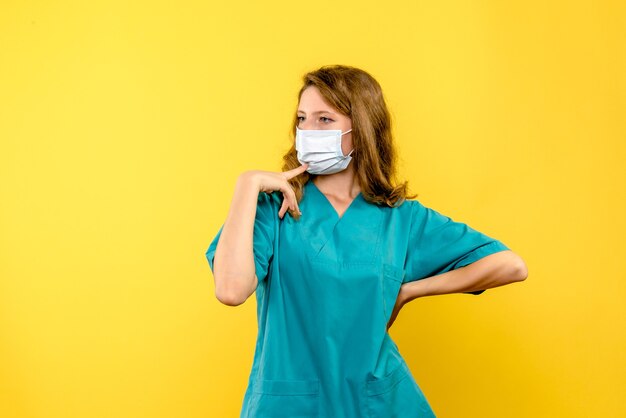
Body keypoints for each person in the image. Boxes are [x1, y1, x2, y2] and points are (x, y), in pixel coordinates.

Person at [205, 65, 528, 418]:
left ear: (361, 131)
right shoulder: (274, 207)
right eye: (301, 119)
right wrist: (246, 186)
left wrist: (409, 291)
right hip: (291, 403)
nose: (307, 131)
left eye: (324, 120)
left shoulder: (401, 218)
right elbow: (231, 290)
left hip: (375, 401)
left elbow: (510, 265)